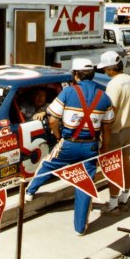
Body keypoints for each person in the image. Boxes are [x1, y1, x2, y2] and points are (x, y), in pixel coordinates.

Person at [25, 58, 115, 236]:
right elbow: (107, 127)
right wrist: (104, 147)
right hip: (90, 146)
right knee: (84, 185)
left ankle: (30, 192)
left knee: (48, 165)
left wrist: (59, 137)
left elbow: (52, 119)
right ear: (92, 73)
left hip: (69, 143)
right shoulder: (104, 97)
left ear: (75, 74)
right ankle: (80, 228)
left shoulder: (68, 93)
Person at [97, 51, 130, 214]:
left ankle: (113, 203)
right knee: (126, 163)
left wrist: (103, 133)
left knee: (112, 166)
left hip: (115, 130)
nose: (104, 72)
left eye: (105, 69)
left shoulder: (114, 84)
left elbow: (111, 111)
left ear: (109, 68)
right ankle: (124, 198)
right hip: (128, 128)